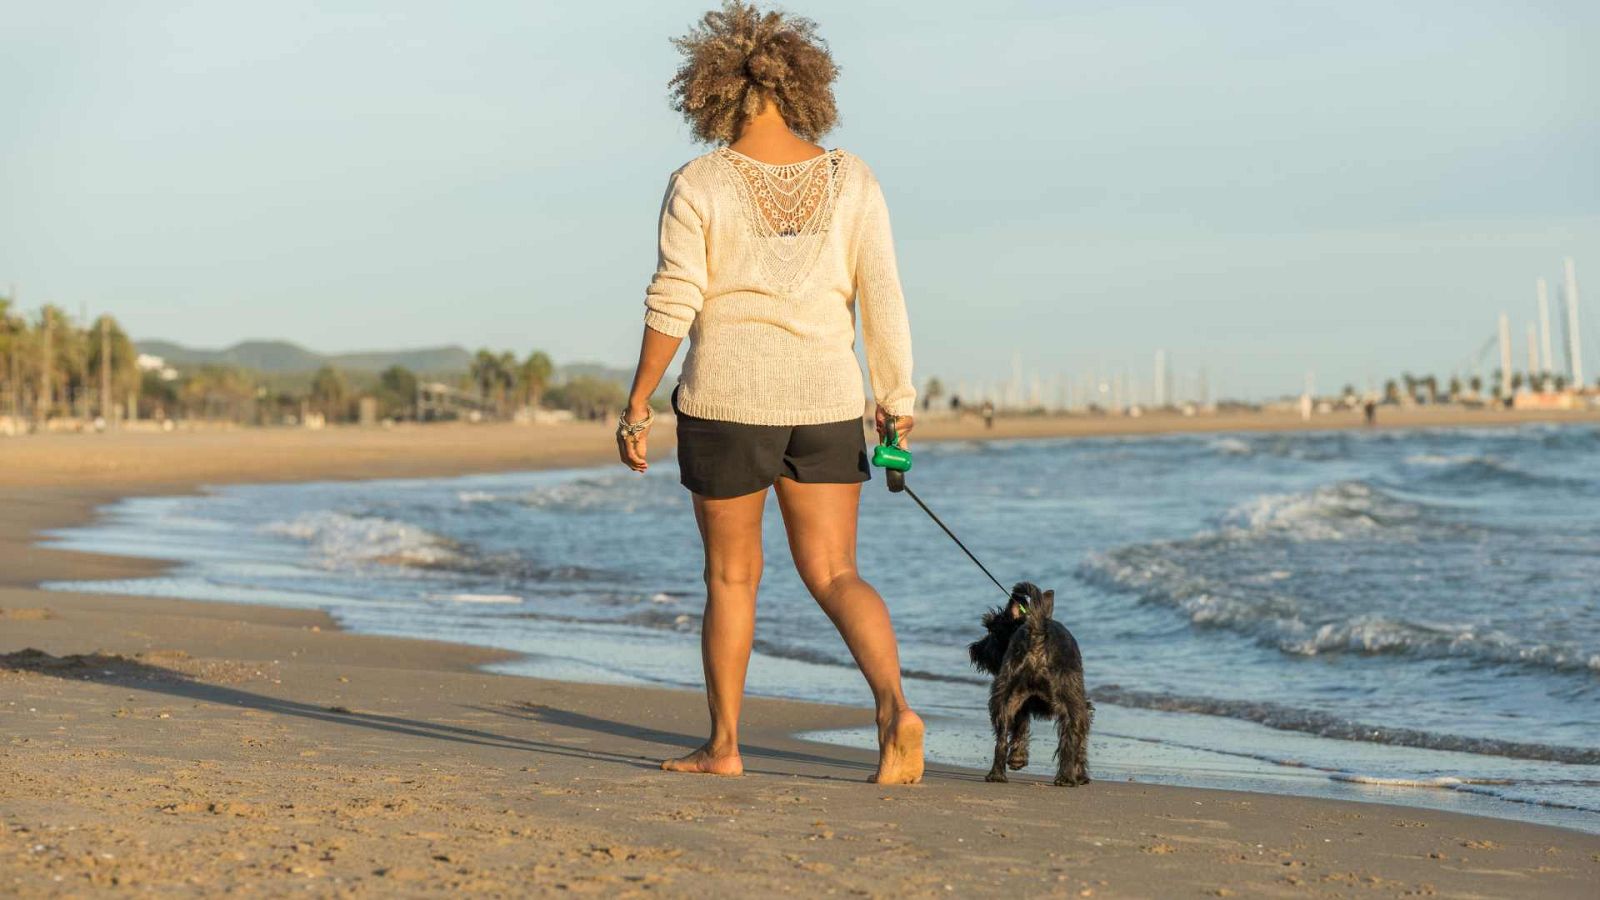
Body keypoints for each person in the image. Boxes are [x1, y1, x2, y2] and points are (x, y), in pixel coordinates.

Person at [616, 1, 923, 784]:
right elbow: (880, 292)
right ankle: (894, 709)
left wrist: (639, 401)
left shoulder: (698, 183)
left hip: (726, 403)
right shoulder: (851, 177)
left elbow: (673, 298)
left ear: (711, 92)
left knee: (731, 578)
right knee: (836, 573)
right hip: (824, 402)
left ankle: (724, 747)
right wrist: (895, 395)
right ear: (803, 87)